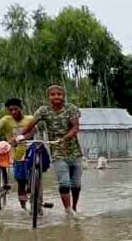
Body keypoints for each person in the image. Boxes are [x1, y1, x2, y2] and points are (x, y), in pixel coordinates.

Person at [16, 85, 83, 215]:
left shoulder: (71, 109)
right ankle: (68, 211)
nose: (56, 96)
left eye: (59, 94)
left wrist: (66, 137)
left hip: (75, 151)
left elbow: (75, 127)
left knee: (76, 185)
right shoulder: (44, 111)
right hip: (57, 152)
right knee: (64, 182)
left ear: (63, 96)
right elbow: (31, 125)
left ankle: (74, 207)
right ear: (48, 97)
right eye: (53, 94)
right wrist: (20, 136)